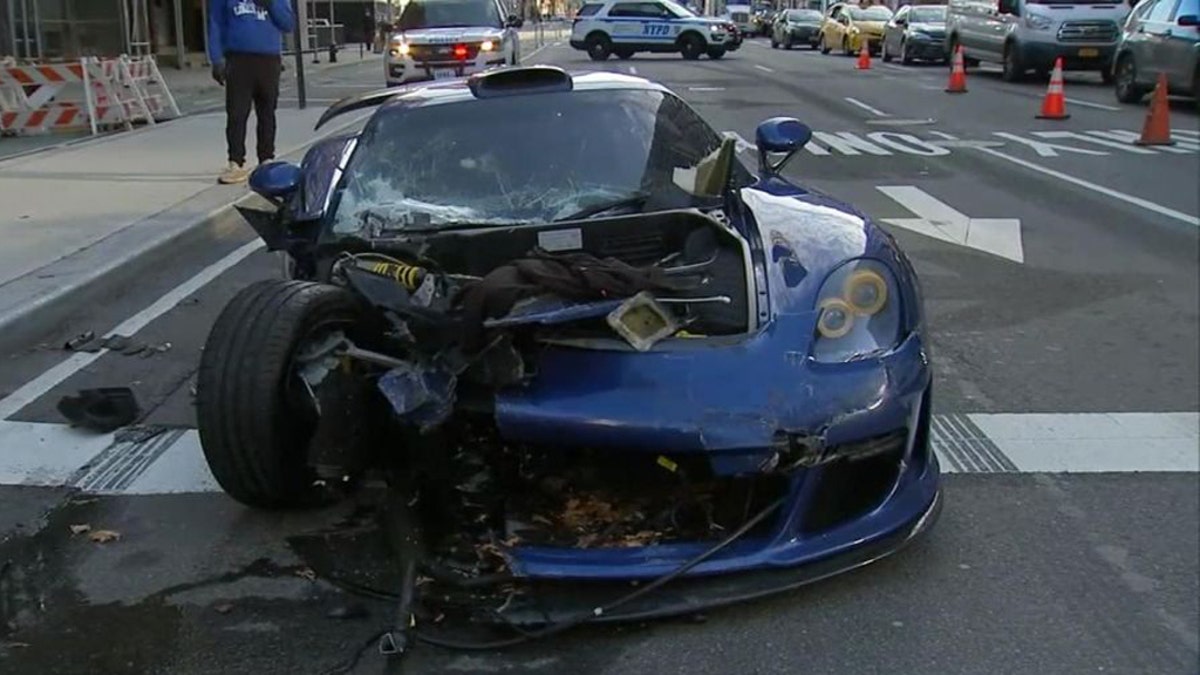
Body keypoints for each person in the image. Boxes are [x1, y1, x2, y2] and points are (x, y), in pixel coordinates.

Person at [207, 0, 296, 185]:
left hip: (268, 59)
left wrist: (271, 4)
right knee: (237, 114)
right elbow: (216, 22)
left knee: (267, 113)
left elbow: (288, 24)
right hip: (238, 58)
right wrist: (216, 59)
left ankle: (266, 159)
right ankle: (235, 162)